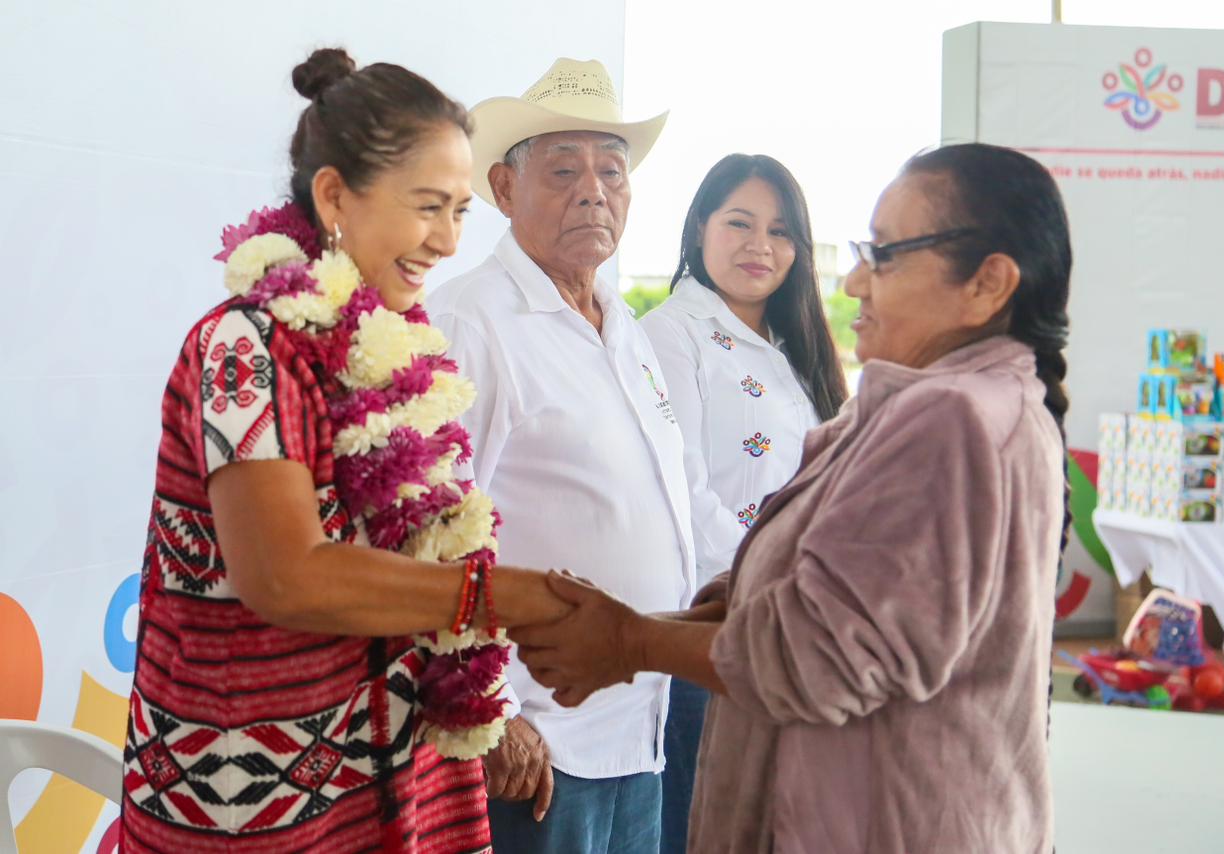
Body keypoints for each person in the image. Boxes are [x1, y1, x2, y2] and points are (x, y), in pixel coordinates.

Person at [511, 142, 1073, 853]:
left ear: (987, 284)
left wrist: (633, 640)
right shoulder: (944, 401)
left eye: (885, 255)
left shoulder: (951, 416)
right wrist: (693, 609)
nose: (857, 282)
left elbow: (824, 653)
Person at [121, 48, 573, 852]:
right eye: (428, 206)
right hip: (257, 799)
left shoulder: (398, 349)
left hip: (400, 777)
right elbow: (288, 577)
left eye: (461, 211)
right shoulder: (245, 347)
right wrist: (501, 596)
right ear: (334, 195)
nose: (448, 241)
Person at [427, 58, 693, 854]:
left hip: (639, 735)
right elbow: (430, 531)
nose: (593, 192)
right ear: (505, 189)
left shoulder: (624, 324)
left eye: (612, 171)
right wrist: (491, 710)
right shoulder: (472, 321)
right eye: (564, 171)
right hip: (539, 749)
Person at [638, 153, 846, 853]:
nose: (761, 245)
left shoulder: (793, 345)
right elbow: (682, 489)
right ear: (700, 227)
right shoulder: (672, 334)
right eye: (739, 223)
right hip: (716, 624)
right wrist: (767, 586)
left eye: (780, 231)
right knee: (702, 828)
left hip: (790, 626)